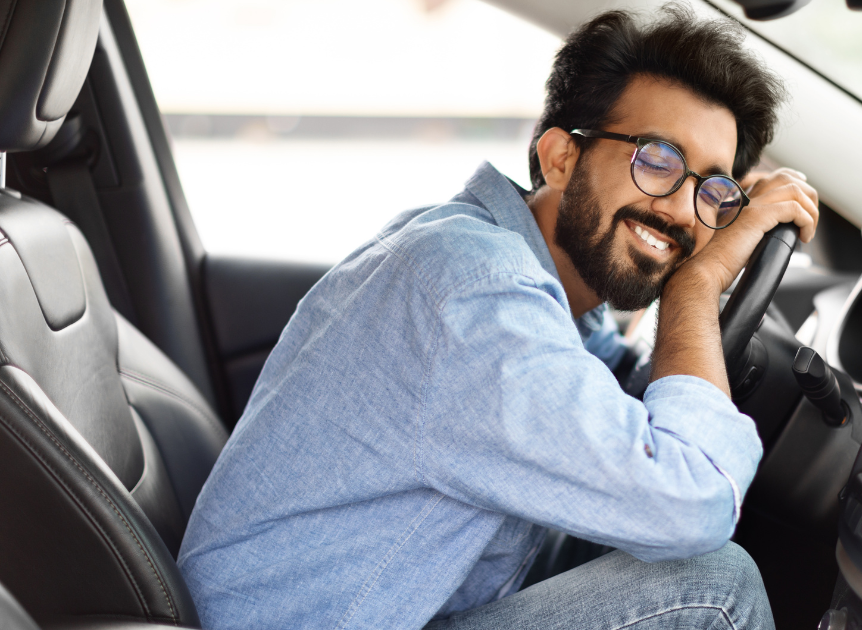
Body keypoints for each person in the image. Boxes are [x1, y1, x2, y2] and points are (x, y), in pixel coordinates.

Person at [177, 5, 819, 629]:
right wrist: (696, 290)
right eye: (656, 161)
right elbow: (693, 502)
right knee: (713, 587)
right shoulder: (476, 293)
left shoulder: (522, 272)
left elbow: (611, 395)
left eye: (713, 190)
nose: (682, 210)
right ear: (561, 158)